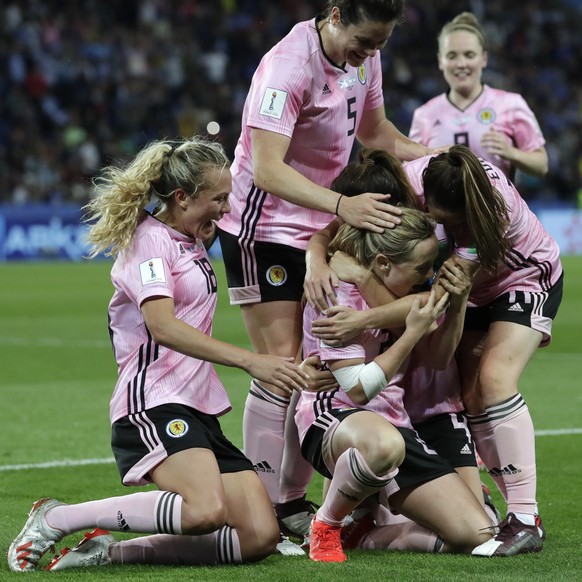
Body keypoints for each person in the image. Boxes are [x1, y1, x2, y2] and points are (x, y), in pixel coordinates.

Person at [7, 136, 310, 573]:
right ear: (182, 197)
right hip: (152, 401)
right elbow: (162, 326)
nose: (226, 209)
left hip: (196, 407)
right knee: (205, 509)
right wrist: (250, 360)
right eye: (218, 199)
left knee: (258, 535)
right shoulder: (149, 241)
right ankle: (55, 517)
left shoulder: (190, 238)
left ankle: (108, 551)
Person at [216, 0, 444, 551]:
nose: (369, 54)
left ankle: (291, 503)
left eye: (380, 46)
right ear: (335, 13)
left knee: (315, 367)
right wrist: (342, 210)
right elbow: (267, 169)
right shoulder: (286, 67)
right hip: (263, 225)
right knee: (285, 369)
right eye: (363, 41)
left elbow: (378, 132)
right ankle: (273, 507)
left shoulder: (363, 58)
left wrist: (440, 160)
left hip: (319, 221)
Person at [310, 144, 563, 556]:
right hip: (464, 303)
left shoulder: (494, 216)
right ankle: (360, 511)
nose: (443, 228)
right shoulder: (409, 178)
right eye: (436, 218)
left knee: (494, 381)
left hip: (523, 278)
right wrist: (314, 257)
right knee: (469, 393)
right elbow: (339, 222)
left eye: (449, 224)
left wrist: (360, 315)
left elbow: (434, 301)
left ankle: (523, 516)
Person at [297, 206, 494, 563]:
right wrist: (412, 334)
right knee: (383, 445)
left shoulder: (387, 292)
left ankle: (366, 534)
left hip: (395, 424)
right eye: (421, 268)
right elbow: (357, 389)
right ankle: (326, 523)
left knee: (476, 534)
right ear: (385, 264)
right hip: (336, 417)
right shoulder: (334, 293)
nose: (429, 275)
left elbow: (429, 314)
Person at [408, 12, 548, 182]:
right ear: (440, 61)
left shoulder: (510, 104)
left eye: (469, 55)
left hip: (496, 208)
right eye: (452, 56)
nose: (461, 64)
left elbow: (542, 165)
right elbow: (410, 174)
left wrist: (512, 153)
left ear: (484, 59)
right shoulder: (425, 114)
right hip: (439, 209)